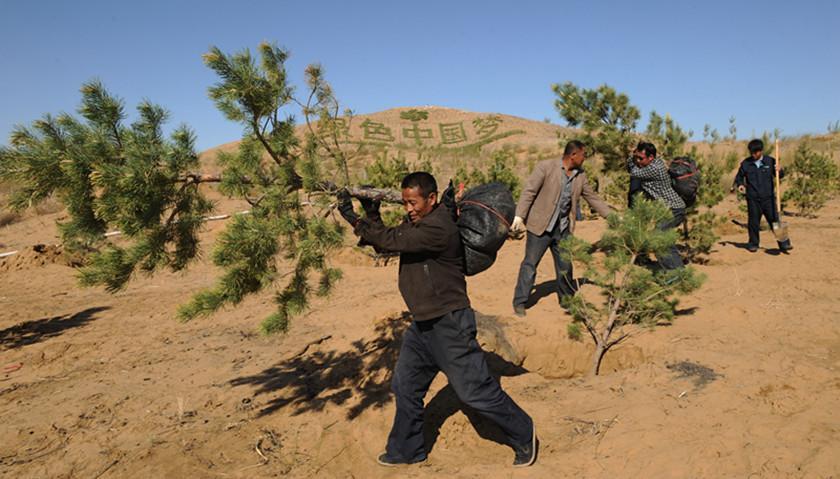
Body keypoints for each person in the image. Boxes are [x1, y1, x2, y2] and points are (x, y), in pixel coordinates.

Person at [336, 172, 537, 468]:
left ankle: (524, 433)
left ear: (431, 199)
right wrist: (372, 214)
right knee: (406, 386)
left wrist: (354, 218)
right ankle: (407, 450)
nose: (409, 208)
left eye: (413, 202)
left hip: (449, 324)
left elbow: (390, 239)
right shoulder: (419, 223)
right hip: (423, 325)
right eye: (404, 203)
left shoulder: (439, 228)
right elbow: (387, 244)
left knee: (474, 391)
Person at [510, 140, 612, 317]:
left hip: (563, 228)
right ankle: (520, 301)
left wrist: (611, 216)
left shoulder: (580, 176)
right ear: (573, 155)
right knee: (530, 264)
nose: (585, 158)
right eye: (583, 155)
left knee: (565, 265)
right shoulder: (546, 167)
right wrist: (519, 216)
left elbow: (592, 198)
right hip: (540, 226)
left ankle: (566, 300)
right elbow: (529, 191)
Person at [627, 141, 686, 270]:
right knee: (662, 237)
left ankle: (676, 270)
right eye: (636, 157)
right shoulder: (654, 163)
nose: (638, 161)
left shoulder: (654, 169)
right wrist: (634, 155)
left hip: (674, 209)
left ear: (651, 158)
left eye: (641, 158)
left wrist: (631, 156)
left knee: (659, 236)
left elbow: (632, 171)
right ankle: (673, 269)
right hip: (669, 209)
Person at [733, 138, 793, 252]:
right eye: (752, 153)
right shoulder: (746, 164)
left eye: (756, 152)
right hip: (753, 199)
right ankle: (753, 244)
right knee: (753, 222)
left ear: (761, 151)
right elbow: (739, 177)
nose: (754, 155)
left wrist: (780, 170)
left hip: (768, 198)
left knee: (775, 220)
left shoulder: (770, 161)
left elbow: (780, 175)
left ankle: (784, 243)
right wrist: (740, 184)